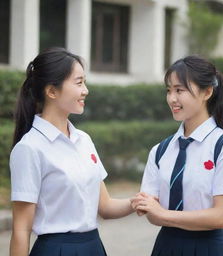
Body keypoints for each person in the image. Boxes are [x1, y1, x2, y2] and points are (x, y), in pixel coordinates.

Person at [9, 47, 134, 256]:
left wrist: (139, 201)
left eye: (84, 82)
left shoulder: (83, 140)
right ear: (52, 91)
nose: (86, 90)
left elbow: (105, 206)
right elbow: (21, 230)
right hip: (56, 250)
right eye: (79, 82)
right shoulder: (29, 148)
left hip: (94, 247)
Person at [131, 55, 223, 256]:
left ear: (207, 91)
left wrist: (163, 214)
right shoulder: (160, 151)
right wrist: (154, 212)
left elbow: (220, 216)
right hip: (166, 246)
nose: (172, 98)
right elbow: (151, 213)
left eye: (179, 90)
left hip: (208, 248)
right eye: (169, 90)